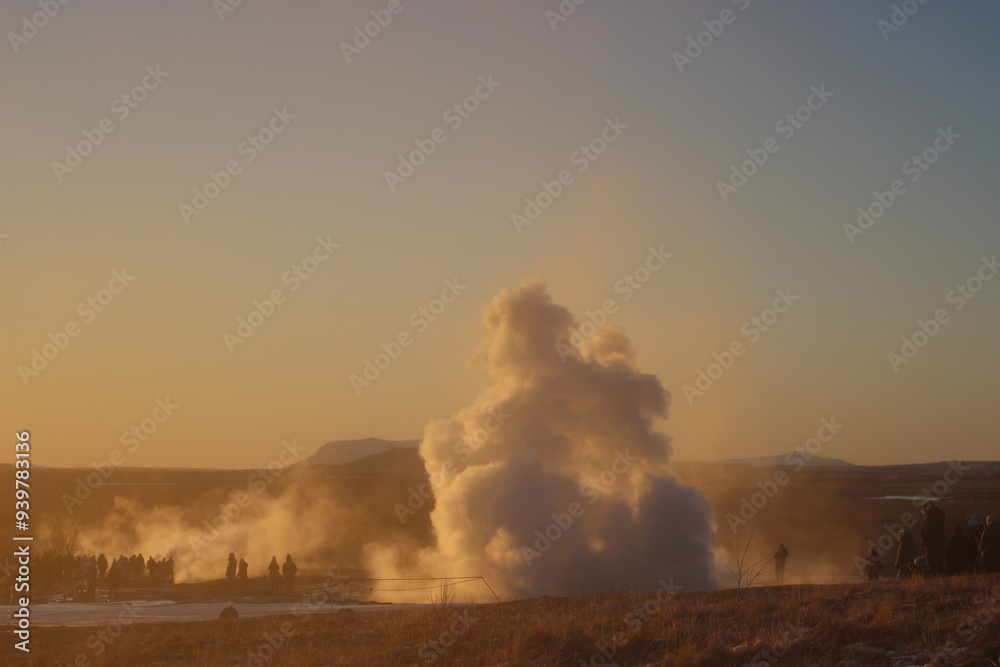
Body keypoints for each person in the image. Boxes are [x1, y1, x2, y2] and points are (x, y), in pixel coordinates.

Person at [920, 501, 946, 576]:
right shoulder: (939, 519)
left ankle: (934, 577)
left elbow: (929, 537)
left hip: (931, 547)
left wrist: (922, 535)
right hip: (939, 545)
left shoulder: (930, 521)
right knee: (938, 565)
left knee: (932, 567)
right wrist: (934, 508)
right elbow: (943, 515)